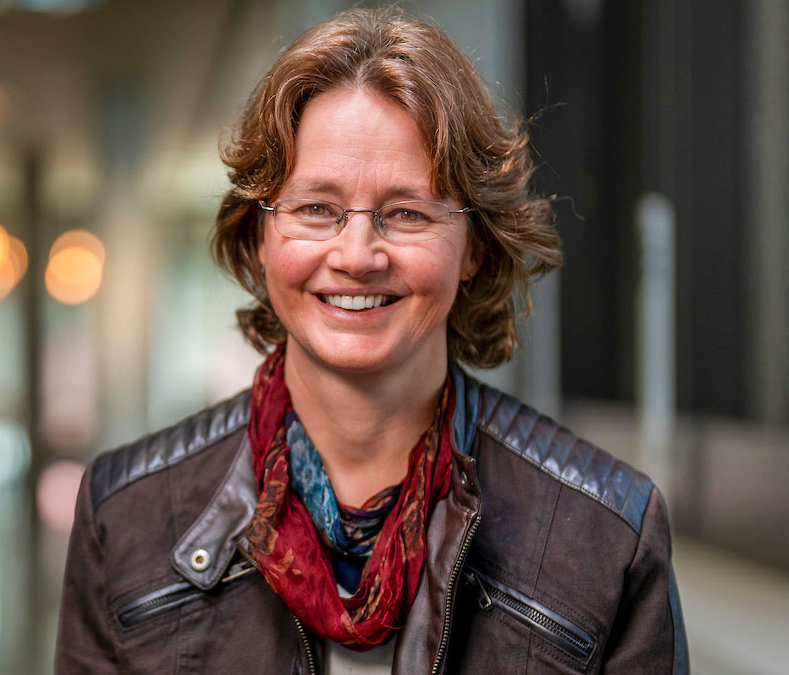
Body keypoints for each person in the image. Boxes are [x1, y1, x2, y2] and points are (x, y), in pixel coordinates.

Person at [56, 7, 686, 674]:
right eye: (316, 209)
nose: (357, 254)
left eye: (407, 212)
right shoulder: (123, 517)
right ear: (259, 236)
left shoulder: (605, 536)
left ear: (473, 245)